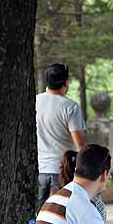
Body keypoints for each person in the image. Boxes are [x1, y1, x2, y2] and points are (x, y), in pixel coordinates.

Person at [35, 63, 86, 211]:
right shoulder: (70, 107)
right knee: (61, 214)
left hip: (39, 169)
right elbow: (80, 145)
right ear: (66, 83)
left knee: (40, 215)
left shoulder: (35, 102)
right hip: (63, 171)